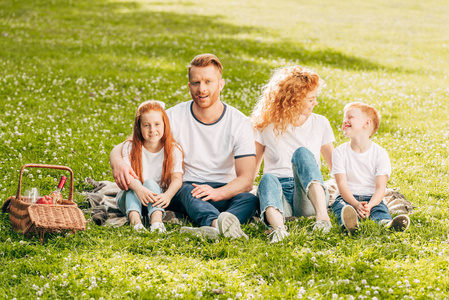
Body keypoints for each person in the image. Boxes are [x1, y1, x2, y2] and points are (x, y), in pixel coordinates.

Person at [110, 54, 258, 240]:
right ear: (189, 87)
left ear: (220, 84)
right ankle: (216, 224)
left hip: (223, 190)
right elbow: (131, 142)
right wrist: (117, 162)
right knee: (188, 191)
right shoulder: (173, 117)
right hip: (186, 188)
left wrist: (217, 193)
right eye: (196, 83)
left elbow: (246, 180)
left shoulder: (239, 122)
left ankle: (213, 229)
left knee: (250, 199)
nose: (201, 89)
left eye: (208, 81)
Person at [252, 66, 335, 243]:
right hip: (279, 195)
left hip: (309, 196)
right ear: (293, 100)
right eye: (311, 99)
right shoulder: (265, 126)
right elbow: (252, 170)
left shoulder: (320, 123)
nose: (315, 103)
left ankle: (322, 219)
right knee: (266, 179)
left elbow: (334, 166)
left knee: (302, 154)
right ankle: (279, 230)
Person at [331, 102, 410, 233]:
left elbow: (380, 187)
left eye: (350, 117)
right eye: (344, 117)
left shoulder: (380, 153)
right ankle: (350, 224)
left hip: (371, 198)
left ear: (367, 124)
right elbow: (341, 185)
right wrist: (355, 204)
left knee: (379, 210)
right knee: (342, 208)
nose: (345, 120)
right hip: (346, 197)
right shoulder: (339, 152)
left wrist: (370, 205)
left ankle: (388, 224)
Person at [114, 100, 183, 233]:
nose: (152, 130)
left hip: (157, 201)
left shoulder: (174, 149)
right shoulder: (130, 147)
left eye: (157, 124)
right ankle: (135, 223)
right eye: (146, 125)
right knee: (133, 185)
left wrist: (168, 195)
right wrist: (139, 189)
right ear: (139, 127)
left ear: (165, 125)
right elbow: (128, 176)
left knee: (150, 182)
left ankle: (156, 222)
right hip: (131, 199)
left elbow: (177, 179)